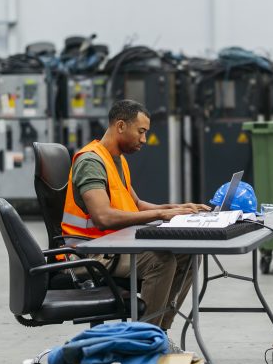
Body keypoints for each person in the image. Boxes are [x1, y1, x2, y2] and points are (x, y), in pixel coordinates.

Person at [62, 99, 210, 331]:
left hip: (115, 247)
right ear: (121, 126)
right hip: (88, 254)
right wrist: (162, 213)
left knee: (188, 255)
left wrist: (177, 209)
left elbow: (137, 205)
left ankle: (159, 332)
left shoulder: (116, 160)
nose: (144, 139)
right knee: (160, 261)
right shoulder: (91, 161)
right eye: (141, 132)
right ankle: (143, 338)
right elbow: (104, 218)